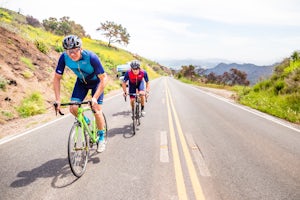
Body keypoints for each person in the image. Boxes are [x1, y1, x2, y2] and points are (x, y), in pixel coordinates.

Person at [53, 35, 108, 153]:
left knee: (96, 109)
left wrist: (94, 97)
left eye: (75, 50)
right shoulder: (64, 57)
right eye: (69, 51)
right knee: (73, 108)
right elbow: (57, 78)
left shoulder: (91, 57)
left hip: (96, 82)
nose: (72, 54)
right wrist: (57, 99)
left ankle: (102, 137)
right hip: (81, 83)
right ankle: (86, 122)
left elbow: (104, 79)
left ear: (80, 48)